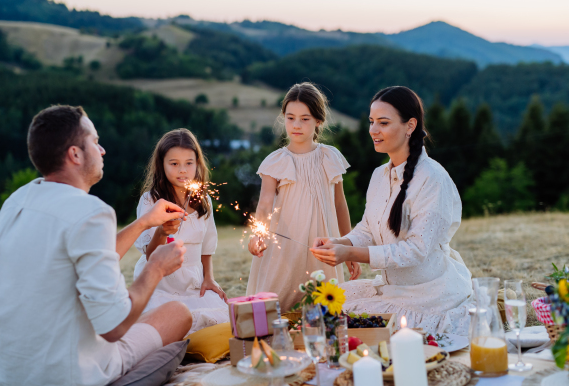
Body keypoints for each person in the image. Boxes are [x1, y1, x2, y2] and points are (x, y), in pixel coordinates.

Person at [0, 105, 193, 386]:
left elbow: (85, 257)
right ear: (75, 154)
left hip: (5, 369)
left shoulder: (16, 200)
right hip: (65, 373)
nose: (102, 150)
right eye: (95, 141)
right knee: (178, 313)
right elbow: (114, 326)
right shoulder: (91, 212)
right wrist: (155, 267)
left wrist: (143, 223)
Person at [310, 86, 473, 336]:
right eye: (372, 122)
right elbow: (367, 228)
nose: (373, 130)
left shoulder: (433, 179)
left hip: (426, 295)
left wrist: (351, 253)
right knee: (321, 310)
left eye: (383, 123)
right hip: (390, 288)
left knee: (342, 326)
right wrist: (339, 242)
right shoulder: (379, 176)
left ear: (410, 126)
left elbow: (416, 250)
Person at [247, 82, 361, 312]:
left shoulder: (330, 157)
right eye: (290, 118)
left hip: (324, 244)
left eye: (305, 118)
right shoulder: (275, 161)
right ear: (283, 118)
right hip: (286, 245)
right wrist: (258, 234)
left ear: (318, 120)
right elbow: (265, 204)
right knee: (274, 305)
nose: (296, 125)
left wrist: (350, 246)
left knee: (327, 306)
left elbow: (340, 204)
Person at [133, 129, 229, 335]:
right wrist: (161, 231)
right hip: (160, 282)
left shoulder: (204, 200)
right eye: (174, 163)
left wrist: (208, 278)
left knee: (220, 317)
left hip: (193, 280)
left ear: (198, 164)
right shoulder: (151, 201)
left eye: (189, 163)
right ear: (162, 165)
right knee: (165, 325)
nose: (183, 170)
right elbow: (150, 256)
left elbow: (207, 245)